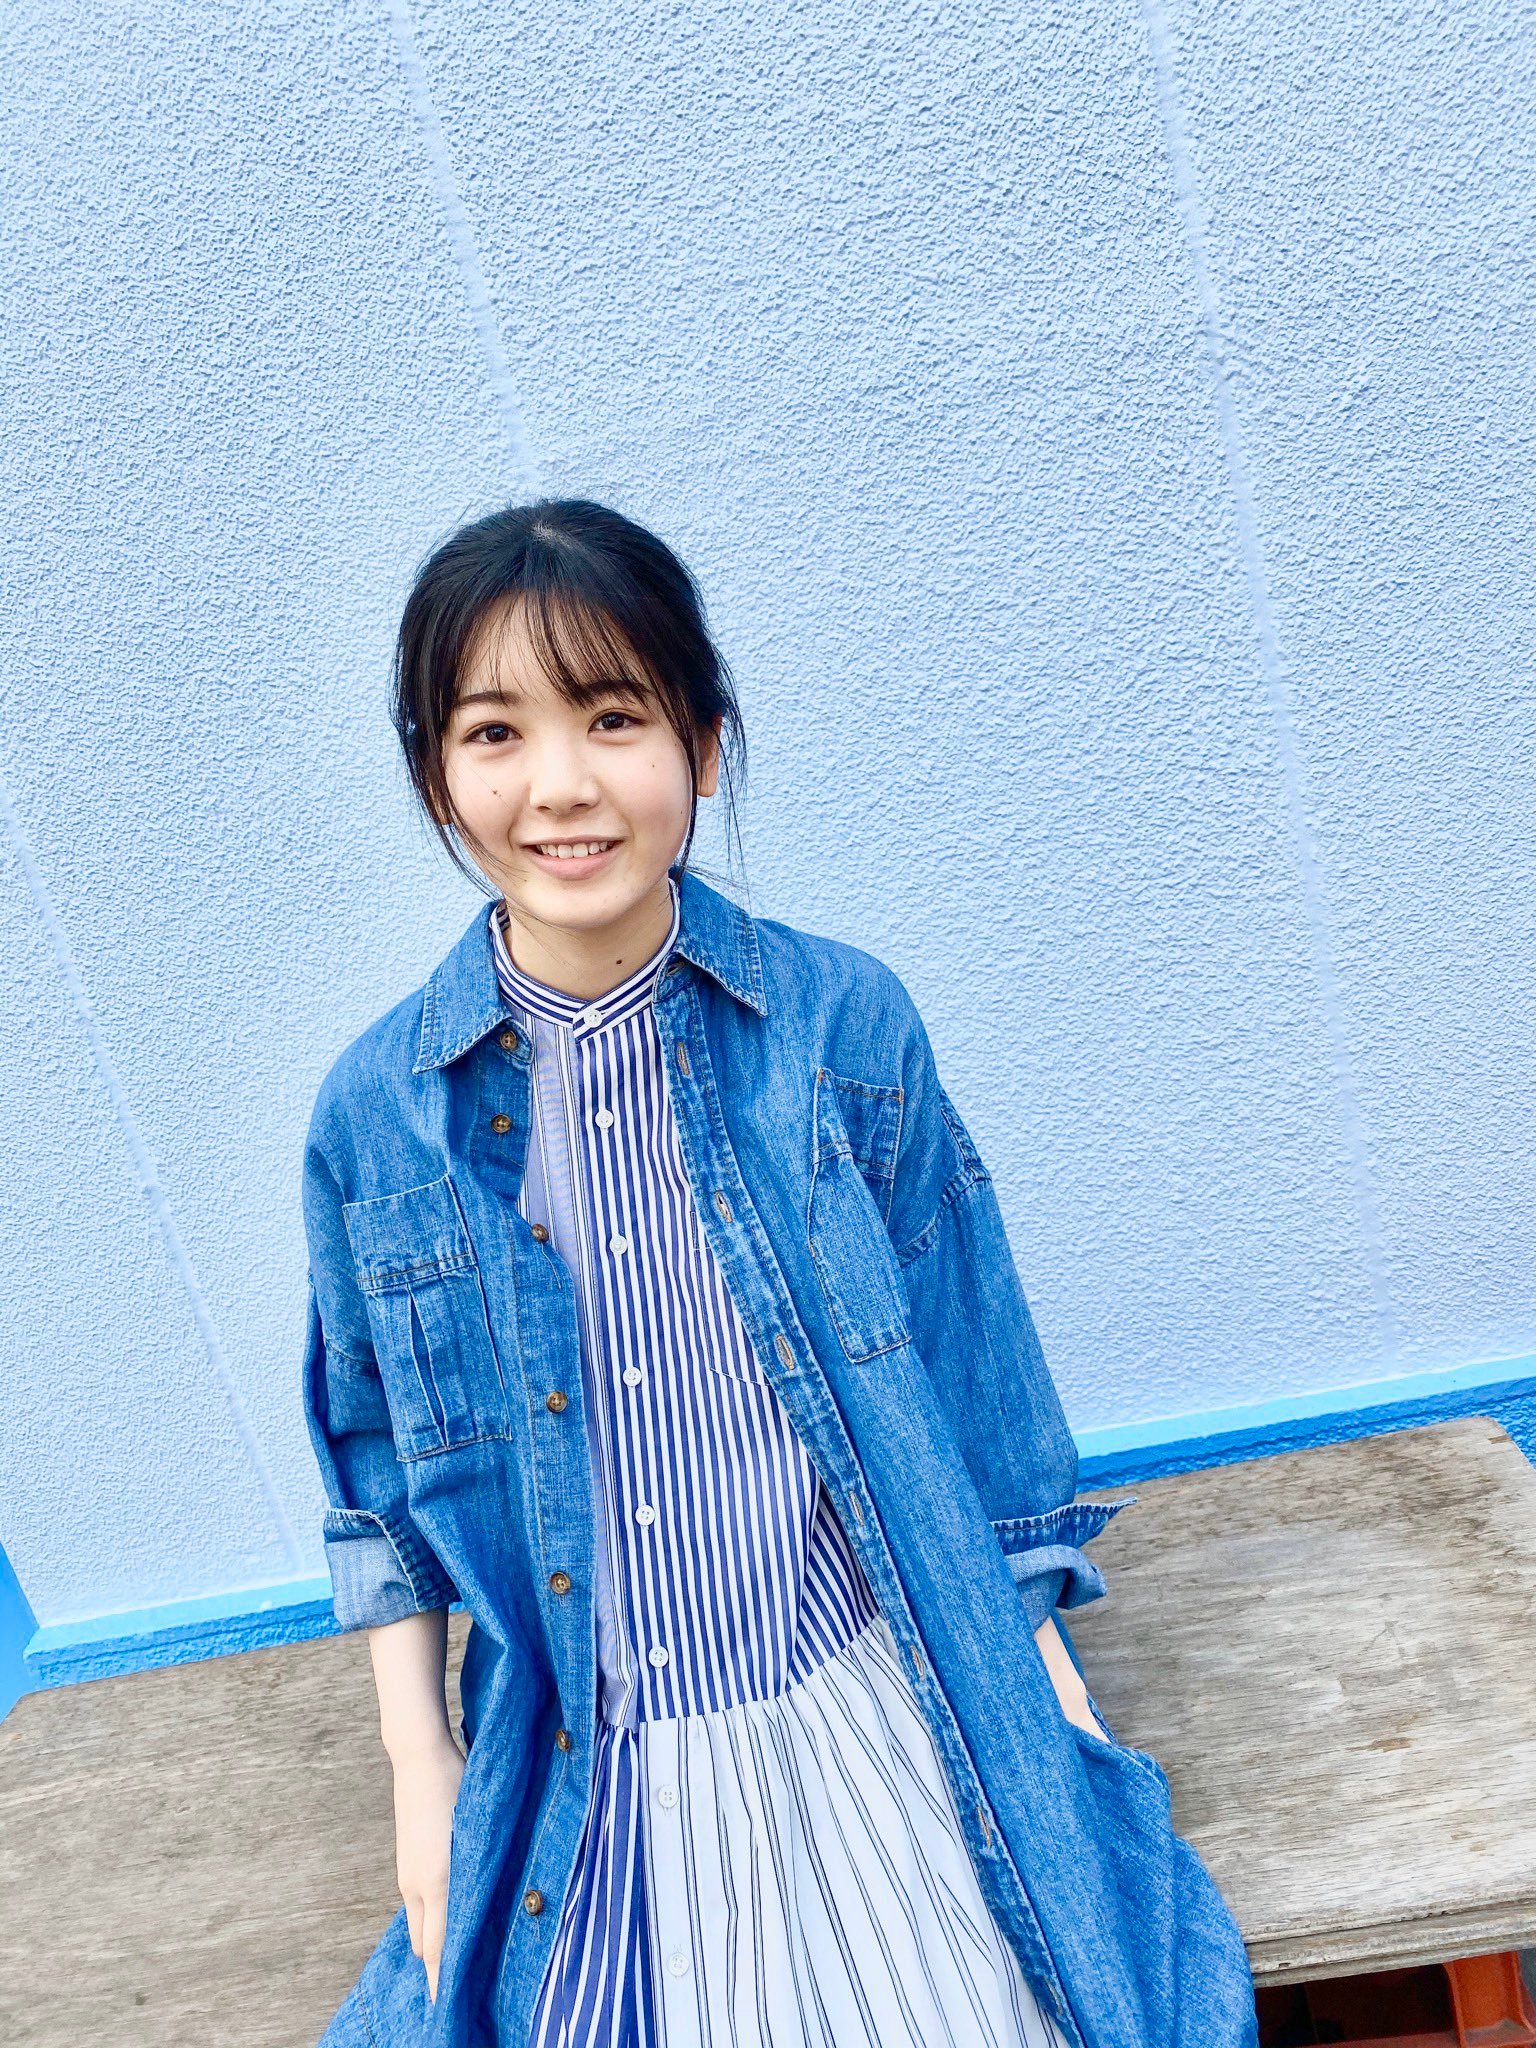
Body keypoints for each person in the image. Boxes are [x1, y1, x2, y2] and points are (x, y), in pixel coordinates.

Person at [299, 498, 1259, 2048]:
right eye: (495, 732)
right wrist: (425, 1776)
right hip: (591, 1750)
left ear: (704, 744)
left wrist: (1038, 1683)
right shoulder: (378, 1114)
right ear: (437, 778)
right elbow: (375, 1470)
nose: (561, 784)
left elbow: (973, 1363)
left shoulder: (840, 1027)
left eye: (614, 717)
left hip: (870, 1679)